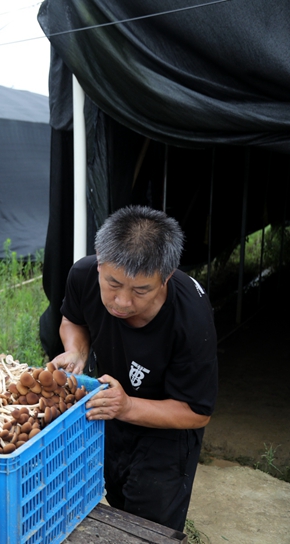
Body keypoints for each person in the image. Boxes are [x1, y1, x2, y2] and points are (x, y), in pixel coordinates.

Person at [51, 205, 218, 532]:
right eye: (113, 283)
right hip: (114, 410)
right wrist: (76, 350)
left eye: (141, 290)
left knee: (149, 526)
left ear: (166, 277)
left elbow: (197, 412)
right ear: (99, 261)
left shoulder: (190, 318)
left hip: (166, 432)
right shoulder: (83, 274)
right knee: (116, 500)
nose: (122, 302)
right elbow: (73, 319)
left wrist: (127, 406)